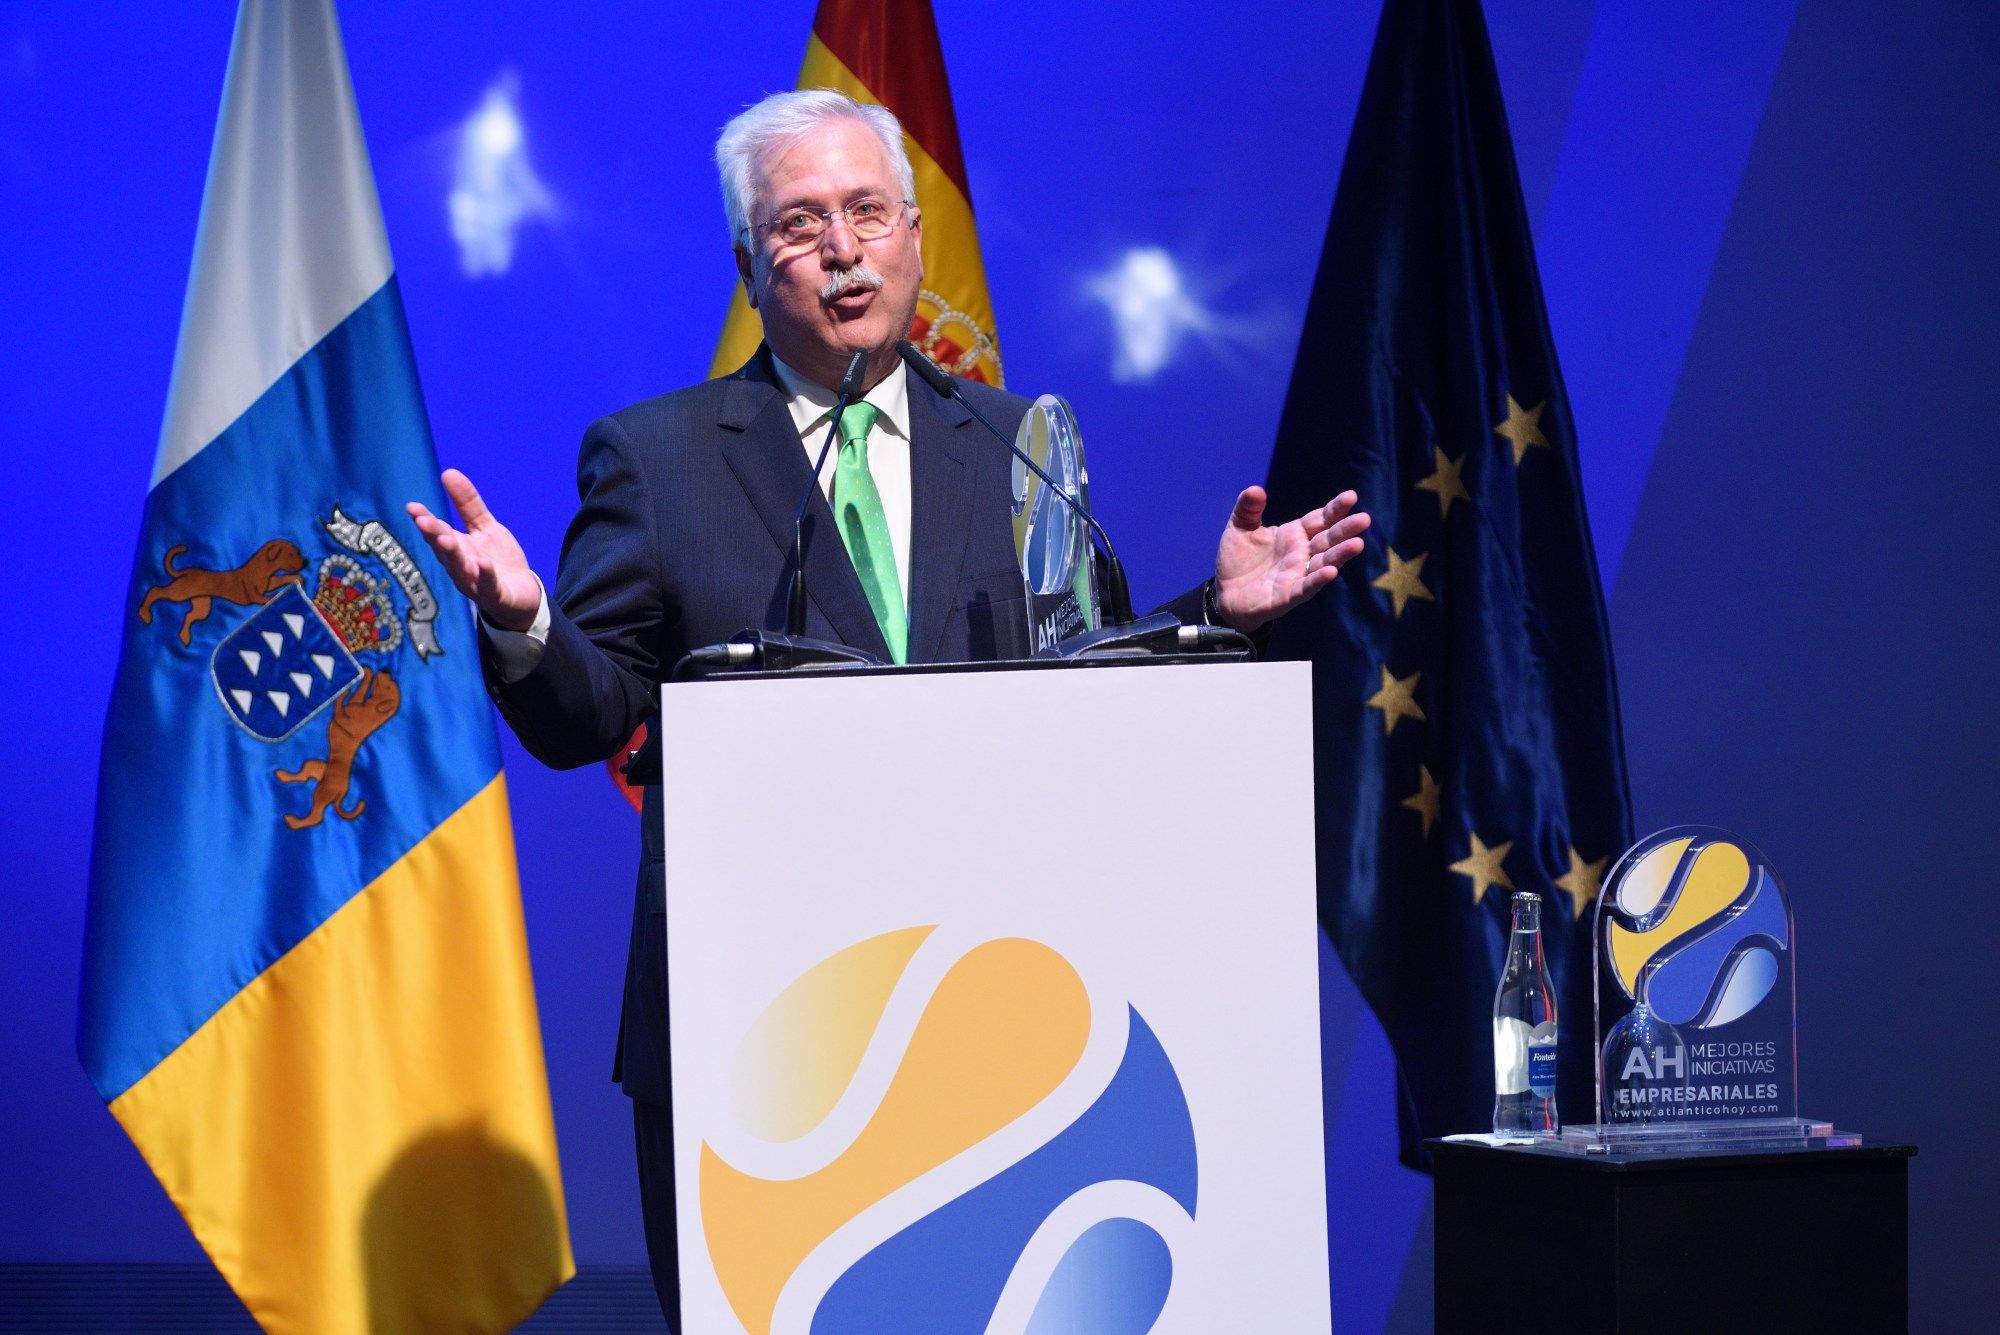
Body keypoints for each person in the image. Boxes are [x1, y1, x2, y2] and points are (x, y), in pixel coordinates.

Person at [408, 88, 1370, 1328]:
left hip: (1002, 1031)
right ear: (751, 268)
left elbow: (1076, 688)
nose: (844, 248)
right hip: (766, 1049)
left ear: (916, 236)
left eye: (867, 211)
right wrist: (523, 621)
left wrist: (1218, 614)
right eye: (802, 224)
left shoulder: (1016, 439)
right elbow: (588, 718)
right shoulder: (655, 459)